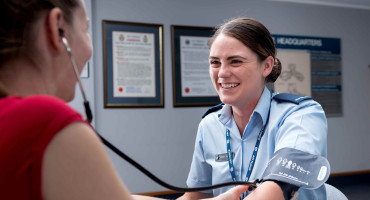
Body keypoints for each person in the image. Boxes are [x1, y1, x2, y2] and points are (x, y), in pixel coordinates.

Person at [0, 1, 251, 199]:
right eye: (86, 29)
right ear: (58, 30)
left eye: (235, 61)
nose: (89, 49)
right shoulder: (45, 121)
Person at [178, 18, 328, 200]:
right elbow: (194, 197)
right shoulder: (209, 125)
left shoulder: (300, 115)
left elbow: (277, 188)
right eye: (215, 62)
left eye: (235, 62)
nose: (222, 73)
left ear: (266, 66)